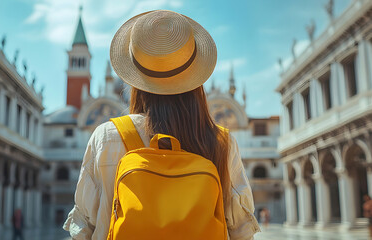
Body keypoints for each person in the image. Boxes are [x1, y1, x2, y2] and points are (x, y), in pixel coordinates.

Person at [63, 10, 260, 240]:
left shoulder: (106, 136)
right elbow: (242, 232)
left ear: (136, 78)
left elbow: (83, 228)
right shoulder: (221, 142)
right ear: (196, 75)